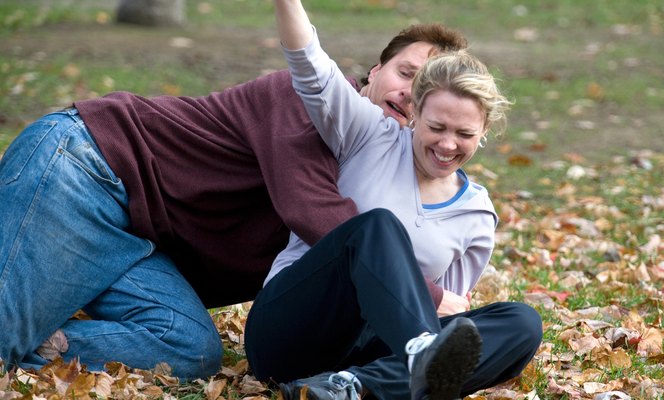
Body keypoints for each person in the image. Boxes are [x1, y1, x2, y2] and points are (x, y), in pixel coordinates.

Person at [0, 17, 469, 378]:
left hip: (137, 239)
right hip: (89, 169)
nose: (410, 94)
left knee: (189, 348)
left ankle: (48, 344)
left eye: (426, 92)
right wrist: (427, 297)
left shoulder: (382, 175)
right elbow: (314, 212)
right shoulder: (307, 104)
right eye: (407, 73)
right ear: (374, 70)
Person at [242, 1, 544, 399]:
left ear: (485, 129)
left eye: (464, 134)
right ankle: (416, 356)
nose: (447, 144)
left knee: (523, 322)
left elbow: (450, 317)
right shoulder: (369, 134)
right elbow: (309, 67)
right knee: (376, 226)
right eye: (436, 126)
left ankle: (352, 388)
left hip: (365, 354)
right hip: (289, 332)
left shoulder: (475, 215)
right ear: (415, 111)